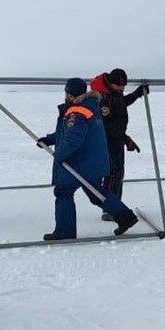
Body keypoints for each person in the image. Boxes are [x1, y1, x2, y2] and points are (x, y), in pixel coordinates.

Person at [37, 78, 138, 240]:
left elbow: (72, 139)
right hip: (94, 161)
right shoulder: (90, 107)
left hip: (81, 163)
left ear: (70, 93)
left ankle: (64, 233)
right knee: (96, 192)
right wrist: (49, 139)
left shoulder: (76, 112)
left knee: (63, 192)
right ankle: (126, 217)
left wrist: (59, 155)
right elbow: (68, 133)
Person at [89, 68, 148, 221]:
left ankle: (115, 207)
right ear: (110, 83)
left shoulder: (113, 94)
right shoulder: (103, 98)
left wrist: (136, 94)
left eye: (124, 86)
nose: (122, 89)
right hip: (108, 142)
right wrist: (126, 139)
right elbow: (108, 128)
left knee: (117, 173)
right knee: (113, 174)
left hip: (116, 140)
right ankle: (110, 209)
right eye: (119, 86)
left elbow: (120, 104)